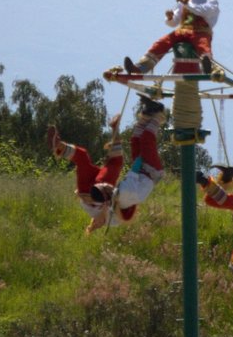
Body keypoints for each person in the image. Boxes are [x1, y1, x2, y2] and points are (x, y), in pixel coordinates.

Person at [47, 96, 168, 234]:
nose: (97, 222)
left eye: (96, 222)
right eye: (99, 223)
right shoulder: (117, 209)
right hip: (139, 175)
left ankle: (58, 146)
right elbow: (119, 204)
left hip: (92, 189)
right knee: (119, 157)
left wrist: (94, 203)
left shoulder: (107, 200)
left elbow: (99, 200)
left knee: (84, 158)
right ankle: (153, 113)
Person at [124, 0, 219, 75]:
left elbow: (204, 11)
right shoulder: (186, 0)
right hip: (182, 31)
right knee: (162, 43)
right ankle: (140, 68)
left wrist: (186, 4)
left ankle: (208, 66)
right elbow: (174, 23)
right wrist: (170, 18)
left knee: (202, 44)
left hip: (201, 31)